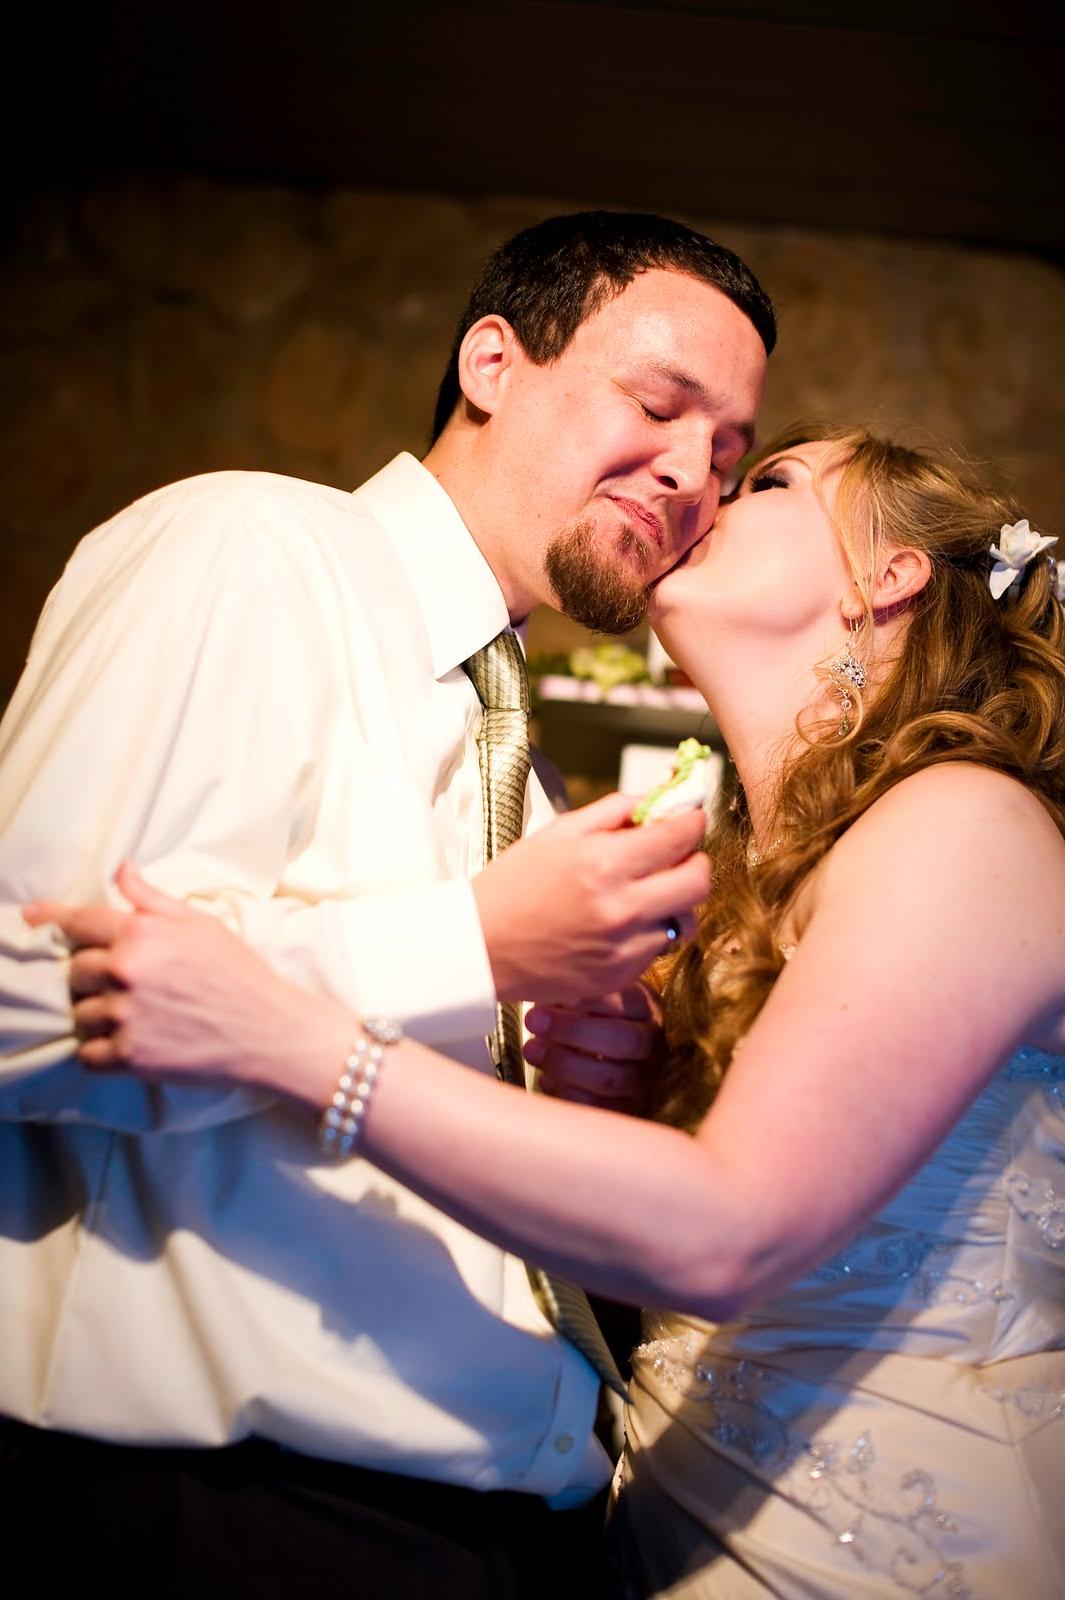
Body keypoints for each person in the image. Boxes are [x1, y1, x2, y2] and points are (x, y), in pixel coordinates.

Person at [40, 427, 1065, 1597]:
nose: (708, 490)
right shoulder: (724, 890)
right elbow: (700, 1303)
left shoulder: (965, 825)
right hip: (663, 1542)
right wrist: (624, 1108)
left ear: (889, 577)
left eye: (768, 477)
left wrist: (296, 1034)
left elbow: (732, 1232)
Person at [0, 212, 773, 1598]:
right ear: (492, 361)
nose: (690, 475)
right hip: (230, 1522)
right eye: (660, 405)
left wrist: (583, 1091)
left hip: (500, 1534)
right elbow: (11, 999)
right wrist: (468, 944)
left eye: (728, 455)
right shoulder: (249, 547)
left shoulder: (522, 786)